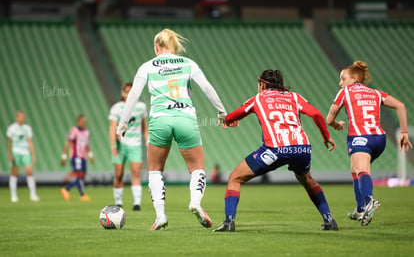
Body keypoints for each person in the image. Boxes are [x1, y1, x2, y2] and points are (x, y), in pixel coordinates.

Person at [116, 28, 227, 230]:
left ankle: (161, 216)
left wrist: (123, 123)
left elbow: (133, 95)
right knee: (197, 169)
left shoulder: (147, 66)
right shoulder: (188, 63)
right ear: (174, 46)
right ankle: (195, 202)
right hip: (185, 118)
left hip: (159, 120)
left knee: (155, 170)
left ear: (156, 47)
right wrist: (221, 112)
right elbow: (207, 87)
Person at [213, 69, 338, 232]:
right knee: (307, 179)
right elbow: (316, 114)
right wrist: (326, 136)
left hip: (275, 149)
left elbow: (231, 116)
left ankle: (229, 222)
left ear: (262, 84)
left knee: (235, 178)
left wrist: (228, 120)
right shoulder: (294, 97)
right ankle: (329, 220)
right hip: (302, 148)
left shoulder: (258, 99)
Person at [326, 60, 412, 226]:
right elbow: (400, 106)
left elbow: (330, 118)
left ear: (353, 78)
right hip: (380, 139)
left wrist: (336, 125)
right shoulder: (375, 93)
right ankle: (359, 209)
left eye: (343, 79)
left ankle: (368, 202)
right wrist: (403, 132)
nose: (340, 83)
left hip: (360, 137)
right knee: (355, 169)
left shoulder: (344, 92)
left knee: (361, 170)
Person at [109, 82, 149, 211]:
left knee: (136, 172)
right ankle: (119, 202)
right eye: (126, 91)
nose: (128, 94)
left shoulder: (141, 107)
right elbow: (112, 127)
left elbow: (143, 125)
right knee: (119, 174)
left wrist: (147, 139)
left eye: (131, 91)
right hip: (120, 144)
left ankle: (137, 203)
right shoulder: (117, 108)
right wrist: (112, 145)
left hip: (135, 144)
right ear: (122, 93)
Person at [7, 111, 39, 202]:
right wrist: (10, 154)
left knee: (29, 172)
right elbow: (9, 142)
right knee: (14, 173)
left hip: (25, 152)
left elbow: (30, 142)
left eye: (23, 117)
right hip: (15, 152)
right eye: (20, 117)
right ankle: (13, 196)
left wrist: (33, 155)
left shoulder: (27, 128)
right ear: (16, 118)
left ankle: (33, 194)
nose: (22, 118)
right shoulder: (12, 128)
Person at [60, 115, 94, 201]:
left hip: (83, 157)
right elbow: (68, 143)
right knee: (79, 176)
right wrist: (64, 156)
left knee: (82, 177)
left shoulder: (87, 131)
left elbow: (86, 144)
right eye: (82, 121)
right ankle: (67, 189)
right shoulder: (73, 131)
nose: (83, 123)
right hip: (76, 156)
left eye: (84, 121)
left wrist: (90, 155)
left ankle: (81, 195)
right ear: (78, 122)